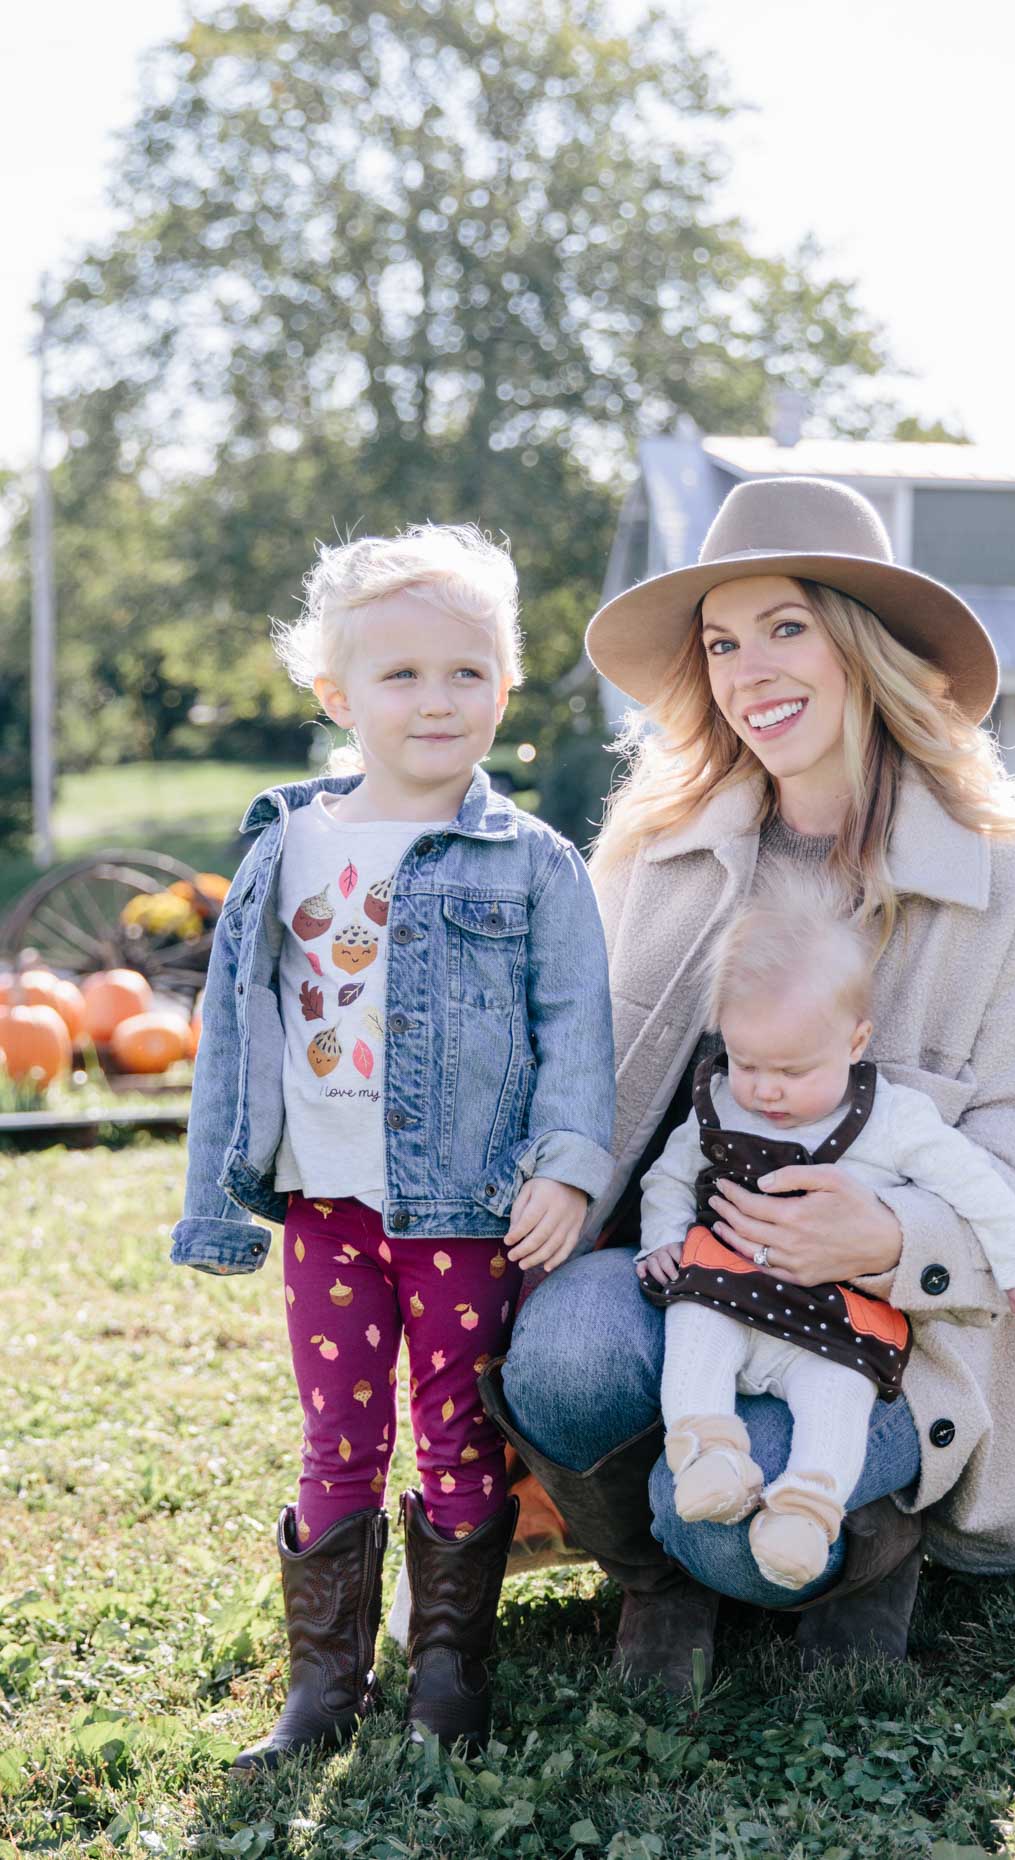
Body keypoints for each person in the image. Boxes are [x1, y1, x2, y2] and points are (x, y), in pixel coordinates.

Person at [482, 474, 1015, 1692]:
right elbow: (579, 1077)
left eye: (785, 628)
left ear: (860, 646)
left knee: (723, 1513)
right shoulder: (661, 854)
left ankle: (866, 1549)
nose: (747, 670)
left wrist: (890, 1233)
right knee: (563, 1366)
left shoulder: (1007, 879)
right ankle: (660, 1578)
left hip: (880, 1334)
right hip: (696, 1284)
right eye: (721, 642)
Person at [169, 525, 614, 1767]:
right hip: (328, 1206)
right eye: (400, 675)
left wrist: (570, 1163)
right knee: (337, 1432)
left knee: (459, 1429)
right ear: (336, 695)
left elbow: (579, 1030)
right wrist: (216, 1192)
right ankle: (322, 1689)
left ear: (504, 687)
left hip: (468, 1209)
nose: (435, 700)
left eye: (465, 673)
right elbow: (231, 1033)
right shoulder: (284, 849)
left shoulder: (532, 865)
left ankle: (449, 1674)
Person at [637, 877, 1015, 1593]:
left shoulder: (892, 1120)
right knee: (693, 1330)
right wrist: (663, 1238)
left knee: (841, 1392)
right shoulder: (720, 1101)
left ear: (856, 1040)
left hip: (831, 1323)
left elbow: (978, 1187)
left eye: (793, 1071)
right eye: (746, 1063)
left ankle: (808, 1505)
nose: (765, 1091)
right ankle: (707, 1446)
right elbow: (670, 1178)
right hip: (727, 1290)